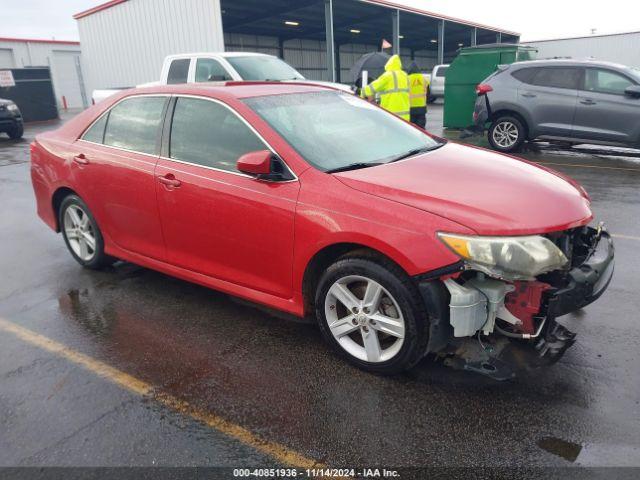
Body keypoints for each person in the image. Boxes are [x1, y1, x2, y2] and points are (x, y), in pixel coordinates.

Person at [360, 54, 410, 121]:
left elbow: (373, 87)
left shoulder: (388, 75)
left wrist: (360, 91)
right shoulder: (405, 75)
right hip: (405, 116)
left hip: (391, 115)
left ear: (388, 64)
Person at [407, 61, 428, 128]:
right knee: (421, 127)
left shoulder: (407, 78)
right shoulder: (423, 78)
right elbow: (426, 86)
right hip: (422, 106)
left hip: (411, 106)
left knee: (412, 127)